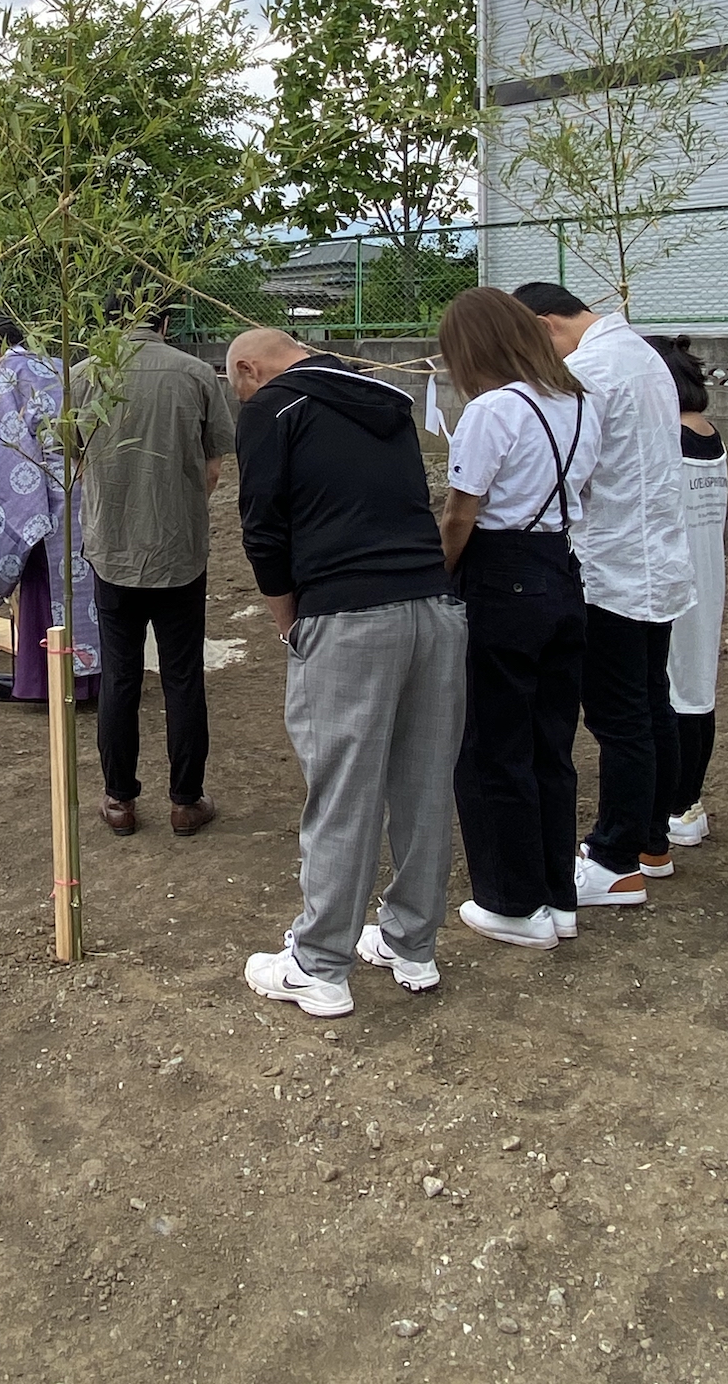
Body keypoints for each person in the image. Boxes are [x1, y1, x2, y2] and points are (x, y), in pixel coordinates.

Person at [228, 329, 467, 1019]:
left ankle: (319, 964)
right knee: (423, 780)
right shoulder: (388, 400)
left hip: (350, 615)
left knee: (343, 788)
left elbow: (263, 531)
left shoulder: (272, 408)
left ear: (249, 368)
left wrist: (287, 620)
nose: (240, 395)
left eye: (235, 383)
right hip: (435, 608)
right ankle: (412, 943)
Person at [514, 284, 695, 908]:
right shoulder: (642, 354)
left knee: (620, 717)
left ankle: (617, 859)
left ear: (543, 325)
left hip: (612, 565)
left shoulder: (589, 368)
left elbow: (570, 463)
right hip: (653, 558)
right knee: (650, 703)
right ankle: (651, 842)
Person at [438, 288, 600, 950]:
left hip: (501, 577)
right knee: (548, 743)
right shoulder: (579, 402)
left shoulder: (492, 410)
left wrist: (440, 570)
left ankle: (510, 901)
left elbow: (460, 513)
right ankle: (557, 894)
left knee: (492, 745)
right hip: (561, 571)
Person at [73, 303, 235, 836]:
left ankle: (119, 800)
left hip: (111, 550)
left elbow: (72, 458)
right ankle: (186, 801)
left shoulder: (83, 376)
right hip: (178, 550)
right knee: (183, 675)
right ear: (163, 322)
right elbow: (213, 468)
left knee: (119, 675)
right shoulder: (195, 374)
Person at [0, 305, 100, 705]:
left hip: (40, 491)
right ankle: (93, 679)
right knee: (84, 587)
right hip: (81, 484)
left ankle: (48, 683)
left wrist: (13, 514)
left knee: (44, 584)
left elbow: (0, 457)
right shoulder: (59, 365)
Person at [646, 335, 728, 851]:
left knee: (676, 692)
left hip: (675, 579)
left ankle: (677, 804)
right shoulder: (707, 432)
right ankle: (689, 803)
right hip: (706, 573)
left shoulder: (669, 438)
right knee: (696, 689)